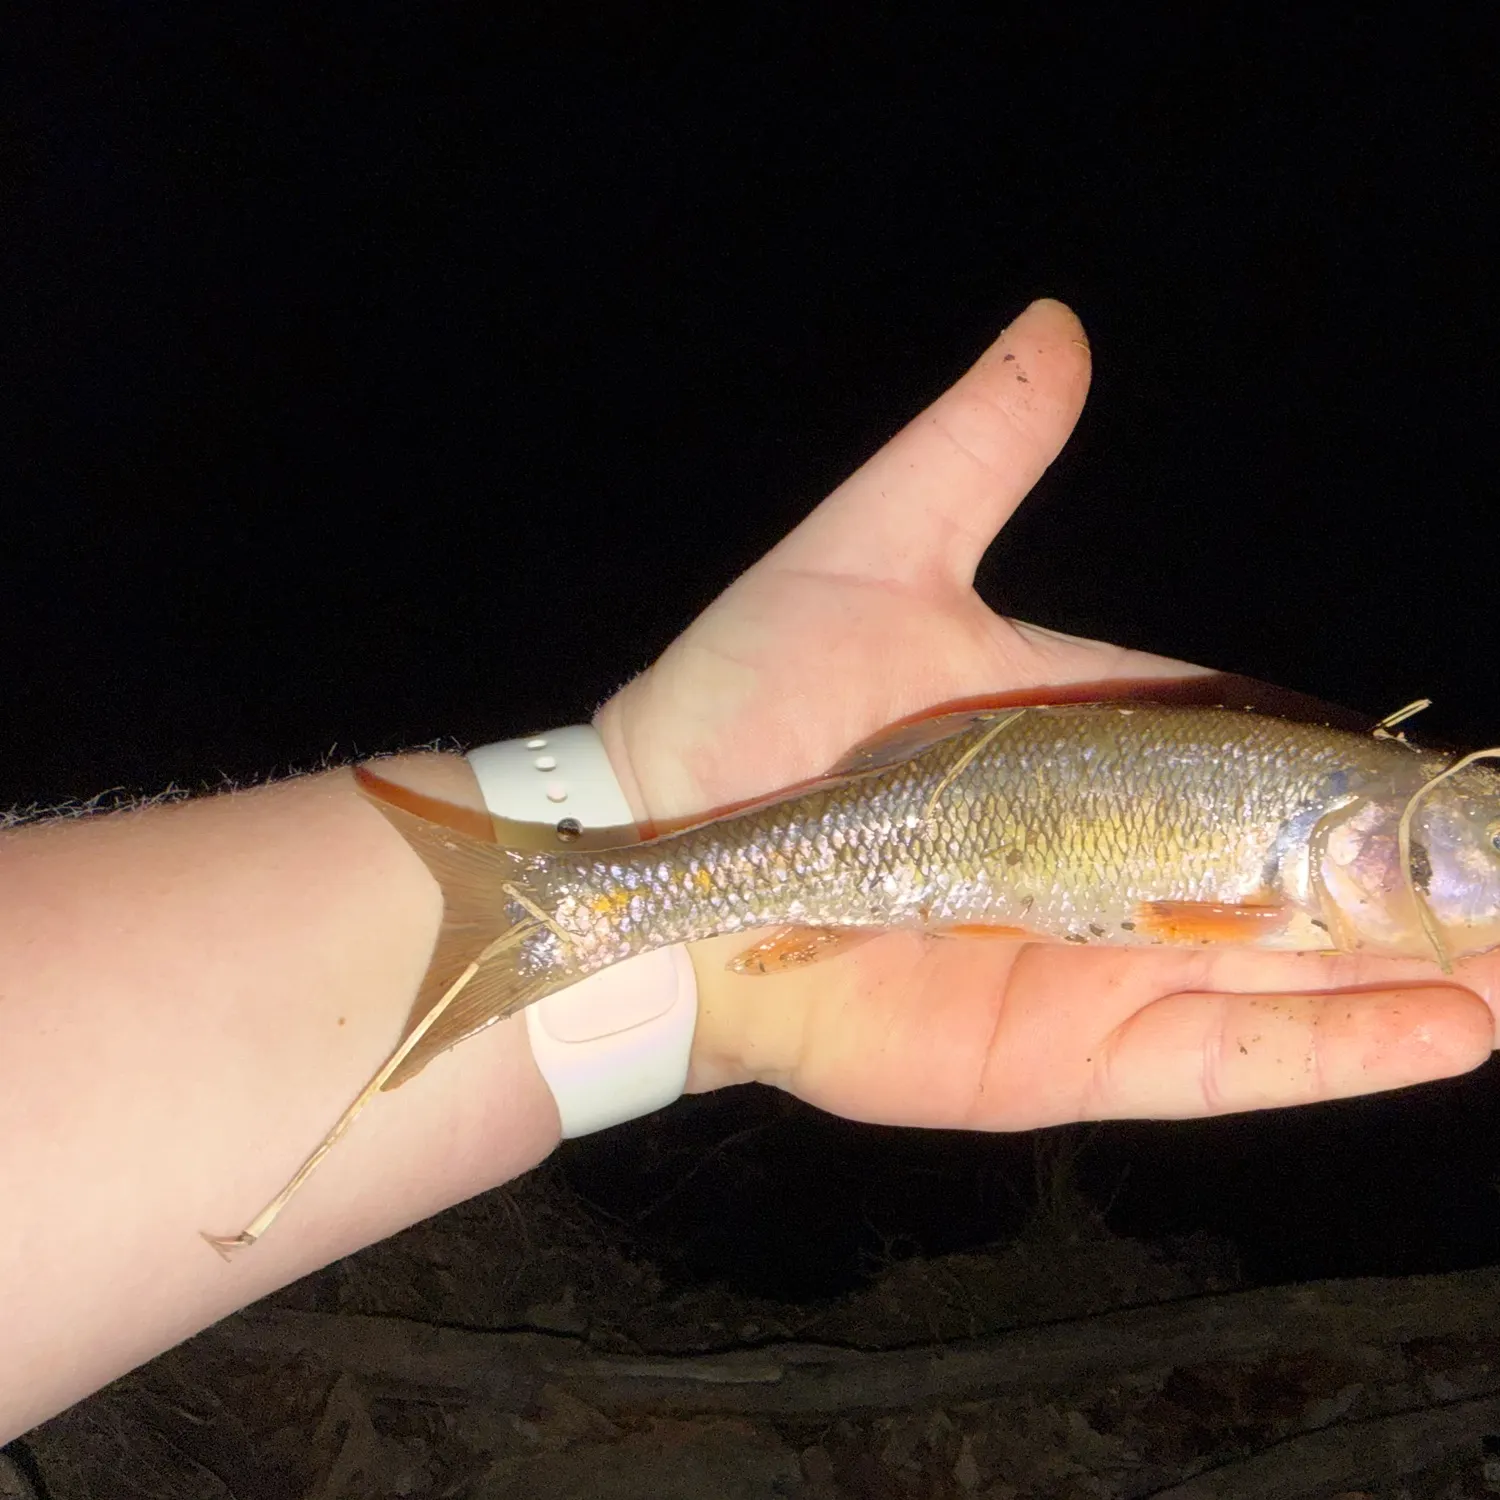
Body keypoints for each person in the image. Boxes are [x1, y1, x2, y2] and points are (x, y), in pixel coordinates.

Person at [0, 298, 1492, 1443]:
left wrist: (632, 816)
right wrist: (632, 804)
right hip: (910, 836)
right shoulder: (1310, 826)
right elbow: (1190, 914)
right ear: (1391, 835)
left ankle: (594, 890)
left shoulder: (1331, 802)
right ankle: (588, 891)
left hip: (918, 843)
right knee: (757, 878)